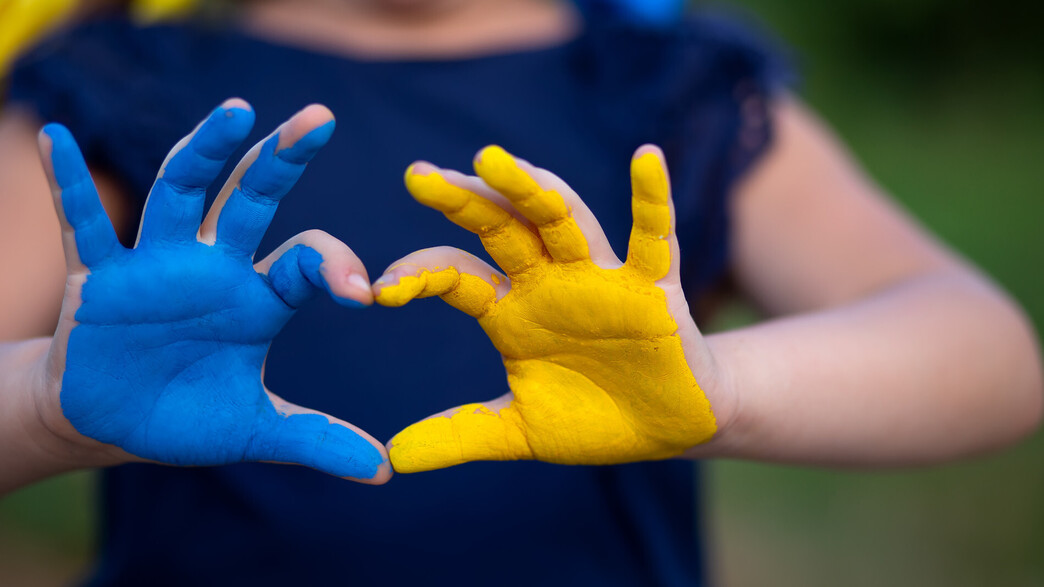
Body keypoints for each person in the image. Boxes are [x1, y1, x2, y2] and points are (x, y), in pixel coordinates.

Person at [0, 0, 1040, 585]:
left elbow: (988, 353)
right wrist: (47, 406)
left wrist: (722, 386)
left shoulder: (667, 86)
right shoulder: (121, 83)